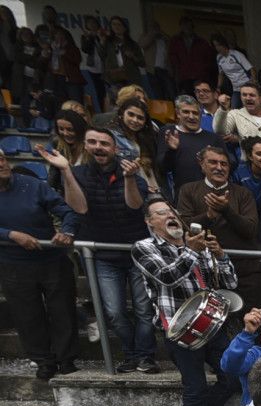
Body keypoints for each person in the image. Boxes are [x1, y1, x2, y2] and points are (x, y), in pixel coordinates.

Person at [131, 197, 239, 406]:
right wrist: (191, 250)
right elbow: (168, 277)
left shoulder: (195, 244)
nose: (170, 216)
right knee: (195, 386)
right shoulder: (144, 247)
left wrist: (221, 256)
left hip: (213, 323)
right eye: (161, 213)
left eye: (172, 212)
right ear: (150, 222)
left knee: (231, 376)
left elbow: (230, 284)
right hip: (180, 329)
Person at [74, 126, 158, 373]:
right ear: (86, 145)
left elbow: (135, 206)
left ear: (115, 148)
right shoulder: (77, 174)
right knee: (114, 312)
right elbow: (77, 207)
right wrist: (65, 173)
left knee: (144, 309)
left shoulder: (133, 173)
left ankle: (145, 356)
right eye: (93, 142)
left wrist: (130, 178)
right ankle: (131, 354)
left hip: (138, 253)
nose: (98, 147)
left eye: (104, 143)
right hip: (103, 256)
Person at [0, 147, 80, 380]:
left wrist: (66, 231)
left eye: (3, 158)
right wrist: (11, 235)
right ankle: (44, 360)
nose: (2, 164)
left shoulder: (31, 184)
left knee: (63, 309)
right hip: (13, 264)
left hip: (51, 258)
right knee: (27, 315)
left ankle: (67, 359)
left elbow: (67, 212)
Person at [176, 144, 261, 314]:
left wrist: (226, 210)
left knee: (256, 323)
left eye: (224, 164)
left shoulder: (243, 193)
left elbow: (251, 229)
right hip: (205, 271)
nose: (219, 167)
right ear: (202, 165)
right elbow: (183, 227)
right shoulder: (188, 190)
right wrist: (208, 216)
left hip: (244, 270)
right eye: (213, 163)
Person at [155, 94, 223, 199]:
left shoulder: (213, 138)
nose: (191, 116)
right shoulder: (169, 133)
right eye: (186, 112)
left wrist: (213, 159)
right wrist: (171, 150)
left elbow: (231, 163)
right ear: (178, 113)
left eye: (195, 113)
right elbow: (162, 167)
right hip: (184, 198)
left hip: (213, 195)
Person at [213, 83, 261, 158]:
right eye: (244, 95)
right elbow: (220, 130)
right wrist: (223, 109)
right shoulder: (235, 115)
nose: (248, 98)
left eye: (252, 95)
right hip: (248, 166)